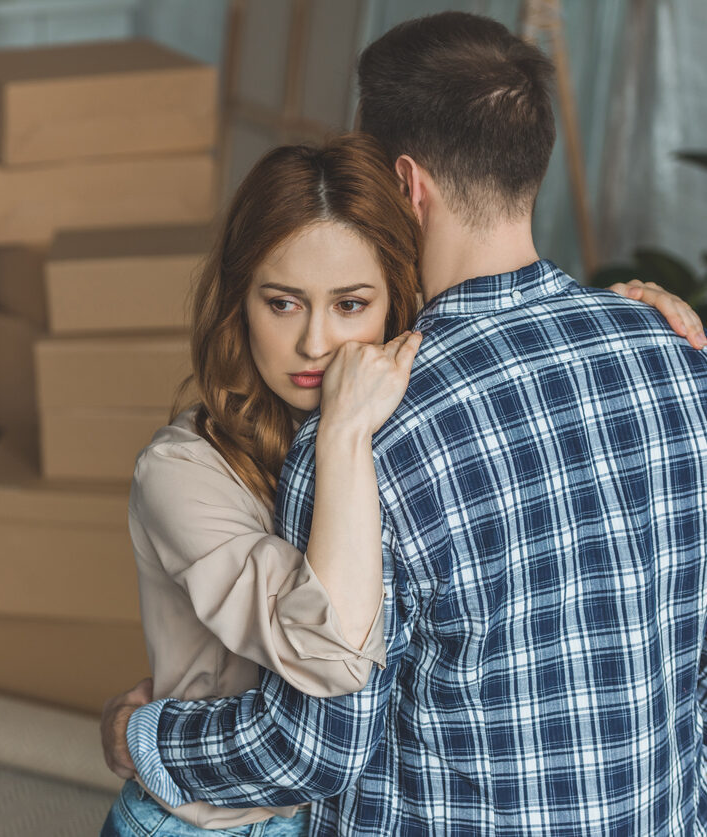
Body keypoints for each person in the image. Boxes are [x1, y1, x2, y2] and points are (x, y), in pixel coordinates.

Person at [102, 11, 707, 836]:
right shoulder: (675, 353)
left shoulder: (364, 433)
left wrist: (139, 731)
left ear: (405, 186)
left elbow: (312, 748)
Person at [100, 133, 424, 837]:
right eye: (283, 303)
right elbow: (330, 655)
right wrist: (341, 433)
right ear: (239, 302)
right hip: (209, 825)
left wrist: (640, 306)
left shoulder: (410, 425)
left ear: (397, 303)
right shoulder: (180, 471)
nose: (314, 344)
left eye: (350, 304)